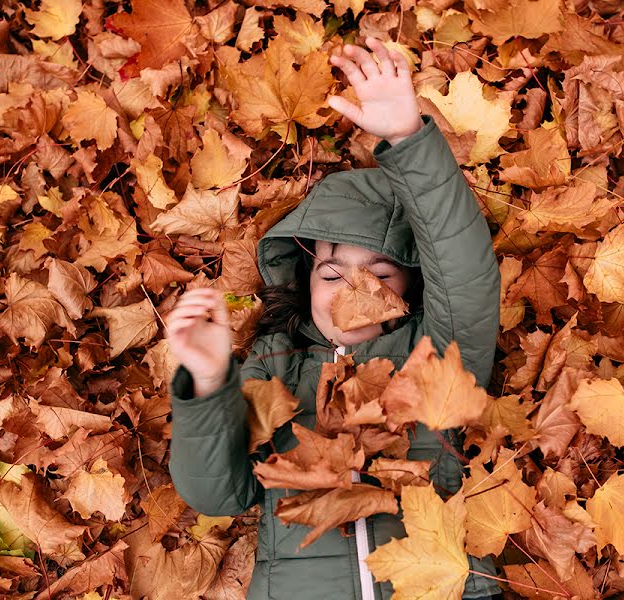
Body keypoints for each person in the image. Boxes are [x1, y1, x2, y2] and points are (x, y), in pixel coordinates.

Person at [166, 38, 503, 600]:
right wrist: (206, 383)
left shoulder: (434, 354)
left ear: (411, 289)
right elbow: (217, 495)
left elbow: (464, 274)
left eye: (379, 273)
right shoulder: (273, 368)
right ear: (304, 281)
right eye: (331, 273)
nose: (354, 290)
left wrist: (407, 139)